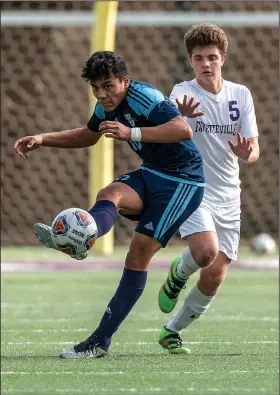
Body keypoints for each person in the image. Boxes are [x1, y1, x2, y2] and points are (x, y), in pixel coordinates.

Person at [14, 51, 206, 359]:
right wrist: (42, 138)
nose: (102, 94)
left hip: (183, 182)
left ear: (124, 81)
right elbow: (89, 136)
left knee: (138, 252)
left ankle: (100, 340)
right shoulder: (107, 105)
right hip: (153, 173)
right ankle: (82, 239)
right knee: (110, 193)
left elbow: (182, 129)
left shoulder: (144, 96)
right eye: (95, 88)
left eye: (108, 86)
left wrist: (132, 132)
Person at [158, 24, 260, 354]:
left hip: (229, 193)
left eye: (212, 58)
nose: (206, 64)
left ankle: (172, 332)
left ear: (223, 59)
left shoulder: (240, 95)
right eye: (199, 58)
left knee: (215, 275)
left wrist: (249, 154)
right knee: (204, 252)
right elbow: (169, 130)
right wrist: (180, 118)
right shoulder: (181, 93)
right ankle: (179, 271)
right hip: (191, 186)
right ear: (191, 61)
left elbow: (254, 150)